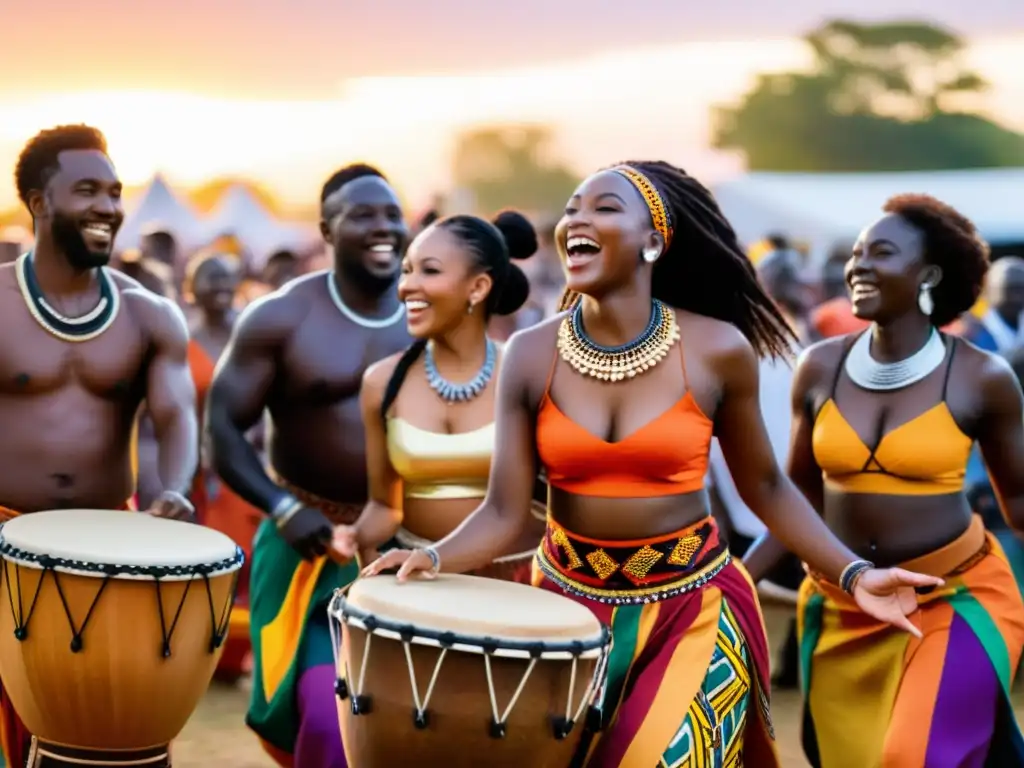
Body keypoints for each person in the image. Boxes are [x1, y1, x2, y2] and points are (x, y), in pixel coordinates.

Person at [364, 161, 942, 767]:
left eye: (605, 208)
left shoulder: (718, 350)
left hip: (694, 606)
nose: (577, 220)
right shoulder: (531, 355)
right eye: (571, 209)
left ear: (654, 242)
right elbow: (505, 511)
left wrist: (853, 574)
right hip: (564, 615)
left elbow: (767, 487)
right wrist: (431, 556)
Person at [744, 194, 1024, 767]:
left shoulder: (981, 377)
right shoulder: (818, 366)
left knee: (913, 756)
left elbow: (1020, 499)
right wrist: (736, 580)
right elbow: (796, 497)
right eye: (855, 253)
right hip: (842, 606)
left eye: (881, 252)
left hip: (956, 600)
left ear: (928, 274)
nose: (858, 265)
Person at [0, 124, 197, 767]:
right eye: (87, 190)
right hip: (1, 536)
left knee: (109, 740)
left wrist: (173, 490)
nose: (109, 207)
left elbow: (176, 417)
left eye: (114, 192)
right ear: (39, 201)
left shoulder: (149, 315)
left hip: (107, 549)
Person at [206, 163, 412, 767]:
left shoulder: (433, 314)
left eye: (393, 215)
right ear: (326, 229)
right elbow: (222, 430)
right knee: (324, 716)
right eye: (364, 216)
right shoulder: (280, 316)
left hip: (408, 550)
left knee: (408, 721)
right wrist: (283, 507)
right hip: (309, 547)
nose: (384, 228)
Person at [334, 211, 546, 580]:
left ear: (478, 288)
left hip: (521, 584)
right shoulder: (382, 382)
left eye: (428, 271)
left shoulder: (529, 370)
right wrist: (354, 538)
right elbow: (386, 506)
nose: (405, 287)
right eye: (406, 270)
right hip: (423, 583)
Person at [183, 251, 263, 683]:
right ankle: (211, 659)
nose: (219, 286)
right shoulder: (183, 341)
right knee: (211, 567)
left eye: (226, 278)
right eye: (208, 278)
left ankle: (246, 655)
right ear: (190, 289)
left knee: (251, 564)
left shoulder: (252, 337)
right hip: (202, 474)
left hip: (251, 469)